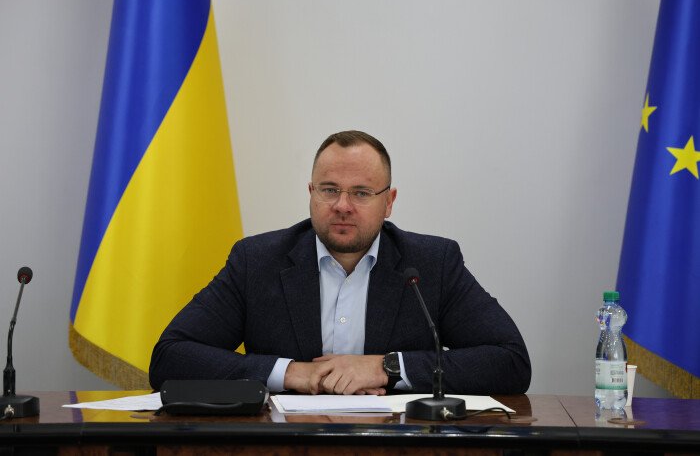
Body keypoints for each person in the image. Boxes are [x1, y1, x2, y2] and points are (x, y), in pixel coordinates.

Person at [149, 130, 531, 395]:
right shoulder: (257, 261)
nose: (342, 206)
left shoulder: (432, 264)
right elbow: (170, 357)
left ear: (389, 202)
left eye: (361, 193)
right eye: (330, 190)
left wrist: (386, 367)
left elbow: (510, 361)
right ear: (311, 192)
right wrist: (292, 373)